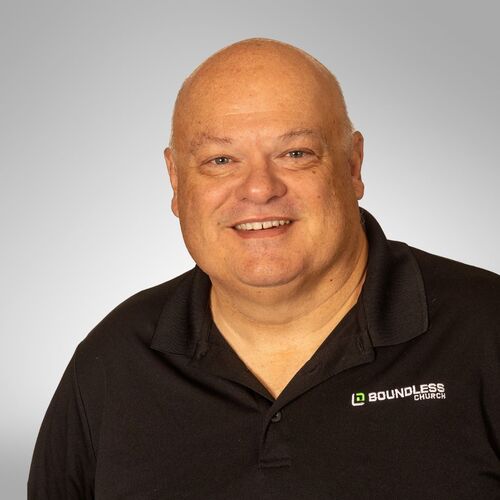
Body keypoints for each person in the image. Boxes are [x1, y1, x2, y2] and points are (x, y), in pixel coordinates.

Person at [28, 38, 500, 499]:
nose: (259, 188)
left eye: (295, 153)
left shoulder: (487, 331)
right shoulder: (114, 362)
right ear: (175, 180)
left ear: (353, 165)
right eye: (220, 160)